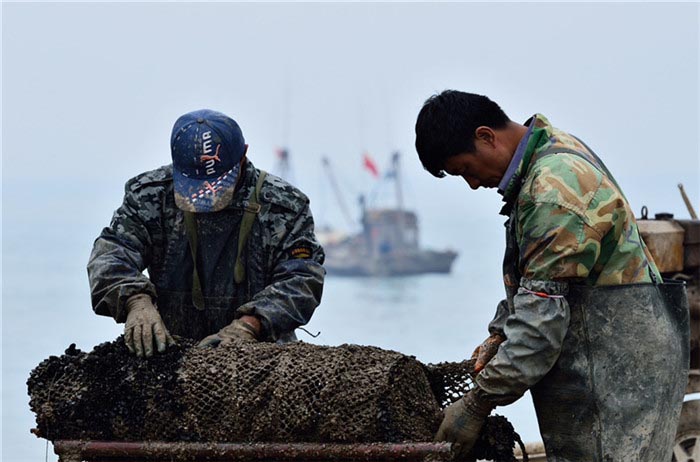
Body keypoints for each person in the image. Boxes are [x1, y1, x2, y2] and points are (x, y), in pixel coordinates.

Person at [414, 91, 688, 461]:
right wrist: (500, 333)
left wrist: (476, 404)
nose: (473, 184)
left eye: (465, 169)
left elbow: (539, 329)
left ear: (486, 136)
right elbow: (539, 279)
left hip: (616, 379)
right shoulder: (552, 149)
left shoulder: (552, 190)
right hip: (610, 364)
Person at [88, 109, 325, 357]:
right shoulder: (150, 196)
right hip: (170, 354)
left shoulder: (284, 206)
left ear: (243, 156)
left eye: (217, 184)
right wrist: (135, 301)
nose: (206, 194)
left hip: (261, 355)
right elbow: (109, 256)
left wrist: (250, 325)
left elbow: (302, 279)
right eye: (196, 185)